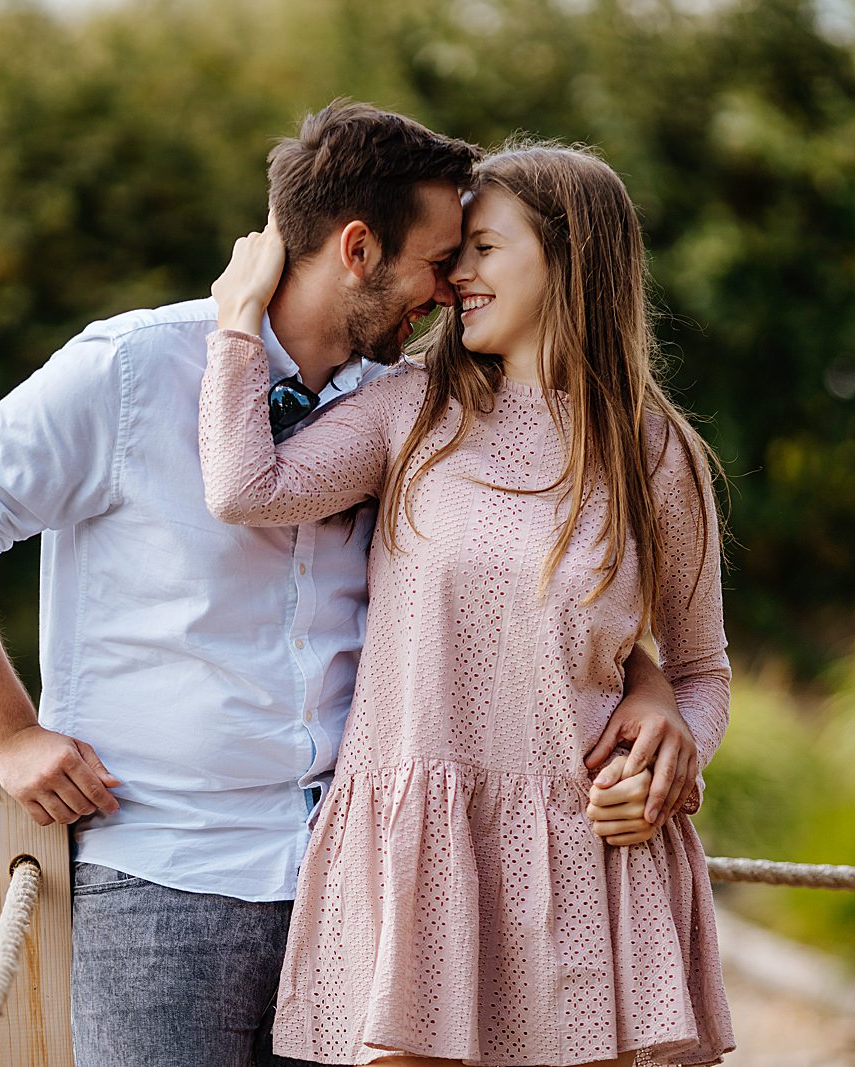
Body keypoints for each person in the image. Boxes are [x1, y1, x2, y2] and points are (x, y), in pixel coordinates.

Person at [0, 103, 699, 1067]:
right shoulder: (138, 368)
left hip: (361, 878)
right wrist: (10, 731)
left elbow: (520, 594)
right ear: (359, 248)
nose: (448, 292)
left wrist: (650, 682)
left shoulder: (401, 393)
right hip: (166, 874)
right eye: (442, 259)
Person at [200, 141, 736, 1066]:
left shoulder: (656, 453)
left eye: (484, 249)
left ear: (568, 258)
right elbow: (246, 486)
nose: (455, 276)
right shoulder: (409, 410)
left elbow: (701, 670)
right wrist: (239, 319)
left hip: (593, 866)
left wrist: (672, 745)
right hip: (419, 862)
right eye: (455, 255)